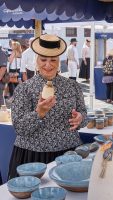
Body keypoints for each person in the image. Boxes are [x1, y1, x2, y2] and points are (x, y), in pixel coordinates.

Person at [8, 34, 87, 179]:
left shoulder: (73, 86)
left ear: (59, 61)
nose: (48, 65)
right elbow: (19, 127)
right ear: (36, 61)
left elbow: (84, 114)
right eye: (43, 60)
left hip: (68, 155)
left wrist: (80, 118)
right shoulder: (24, 89)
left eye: (53, 60)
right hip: (33, 157)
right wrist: (39, 113)